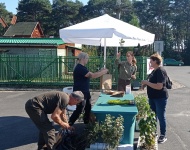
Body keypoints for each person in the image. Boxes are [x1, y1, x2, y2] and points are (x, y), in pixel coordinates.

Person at [69, 52, 108, 126]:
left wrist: (100, 71)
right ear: (83, 59)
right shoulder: (80, 68)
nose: (88, 60)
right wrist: (103, 72)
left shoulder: (82, 67)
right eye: (87, 58)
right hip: (80, 93)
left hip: (85, 92)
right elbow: (92, 75)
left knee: (88, 108)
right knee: (79, 109)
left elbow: (91, 74)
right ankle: (69, 124)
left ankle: (86, 123)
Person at [141, 53, 168, 144]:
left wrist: (147, 83)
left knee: (160, 116)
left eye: (151, 60)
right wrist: (145, 84)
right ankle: (153, 132)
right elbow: (151, 82)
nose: (150, 62)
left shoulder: (160, 71)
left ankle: (163, 135)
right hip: (152, 97)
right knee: (153, 116)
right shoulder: (154, 71)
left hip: (160, 98)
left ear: (156, 61)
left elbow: (159, 86)